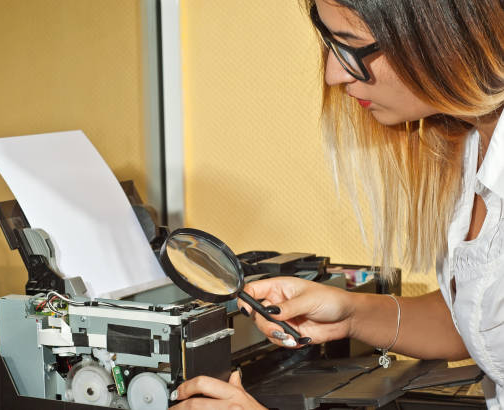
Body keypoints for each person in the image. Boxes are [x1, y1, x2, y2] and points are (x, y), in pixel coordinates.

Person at [170, 0, 504, 408]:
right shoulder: (473, 142)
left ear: (448, 34)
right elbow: (480, 320)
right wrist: (351, 314)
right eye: (331, 44)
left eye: (351, 47)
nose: (332, 74)